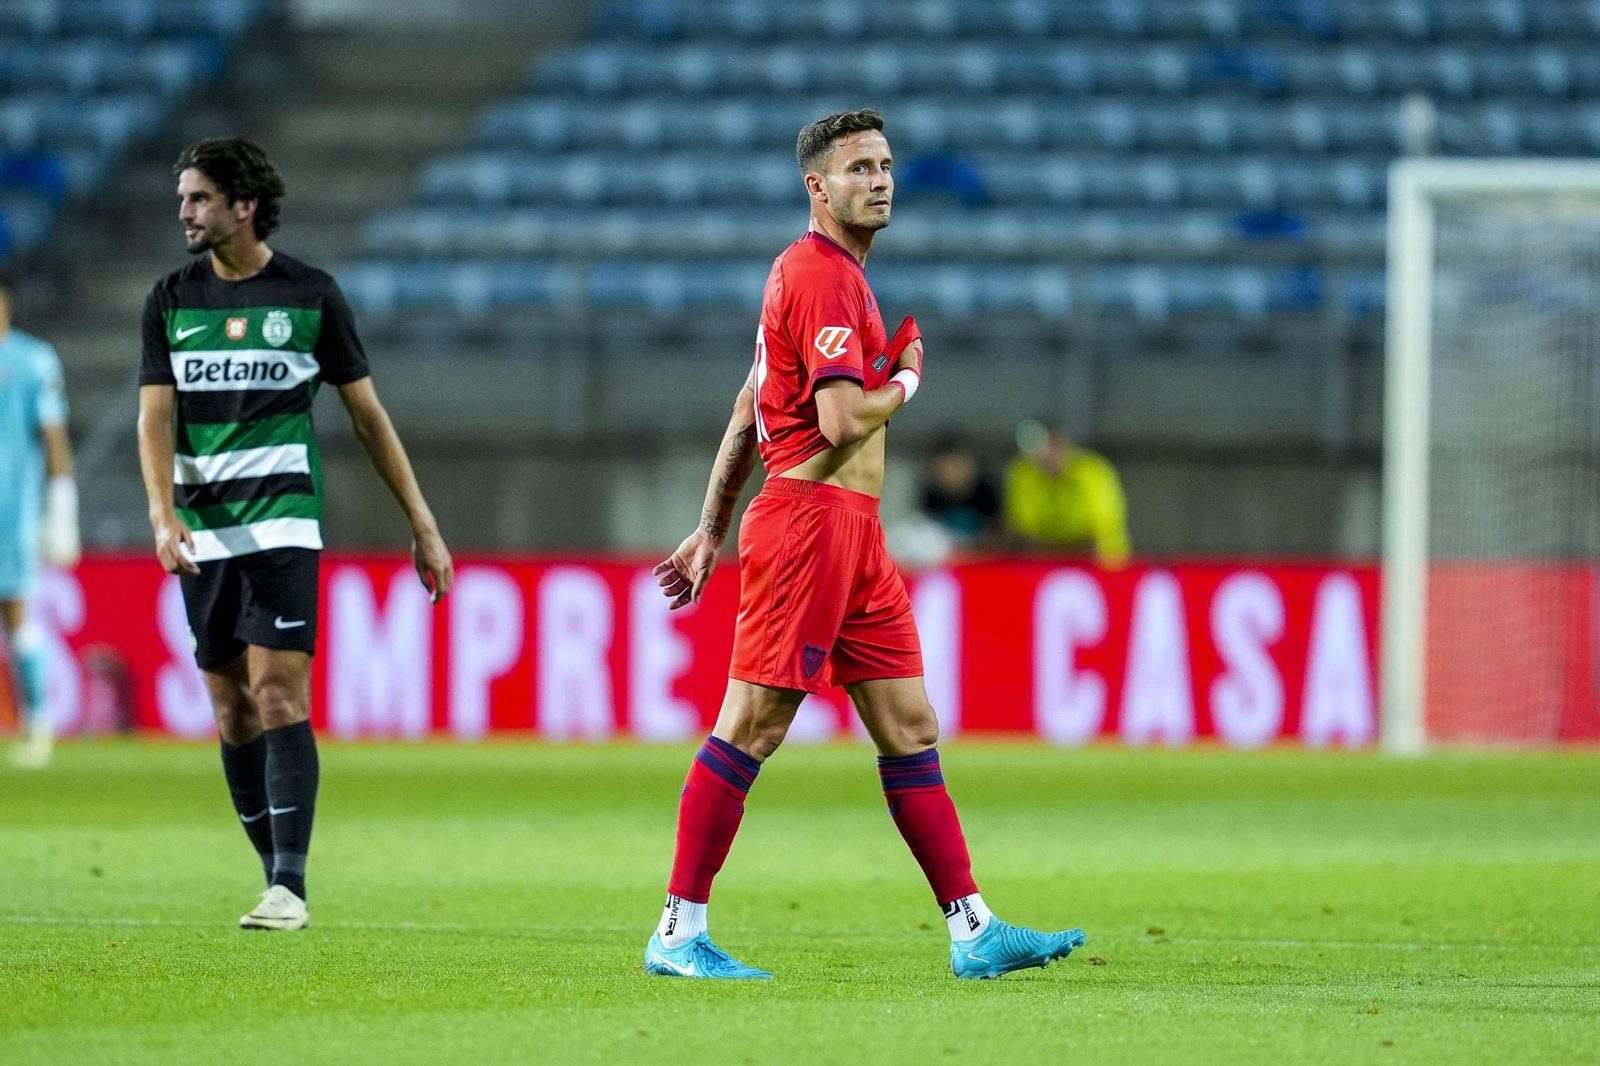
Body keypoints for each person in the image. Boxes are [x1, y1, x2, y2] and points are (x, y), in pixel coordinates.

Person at [647, 110, 1085, 980]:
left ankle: (973, 929)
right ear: (818, 186)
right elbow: (842, 418)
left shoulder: (819, 277)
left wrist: (708, 529)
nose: (880, 180)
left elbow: (748, 408)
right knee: (754, 723)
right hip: (811, 526)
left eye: (886, 165)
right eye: (859, 169)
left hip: (855, 537)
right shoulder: (820, 277)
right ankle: (677, 932)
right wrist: (909, 376)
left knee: (909, 724)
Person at [136, 138, 453, 931]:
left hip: (282, 525)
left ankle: (289, 886)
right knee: (231, 710)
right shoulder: (170, 300)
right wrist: (160, 514)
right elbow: (154, 418)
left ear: (244, 205)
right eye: (183, 198)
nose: (184, 212)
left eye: (199, 198)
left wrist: (421, 523)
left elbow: (367, 417)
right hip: (201, 532)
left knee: (277, 692)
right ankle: (273, 874)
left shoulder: (311, 295)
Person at [0, 271, 79, 769]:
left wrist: (61, 508)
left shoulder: (32, 360)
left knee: (16, 615)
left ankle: (38, 721)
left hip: (11, 513)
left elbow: (53, 437)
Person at [1004, 420, 1130, 566]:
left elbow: (1097, 534)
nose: (1035, 458)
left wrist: (1056, 551)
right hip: (1045, 561)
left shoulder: (1093, 472)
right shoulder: (1025, 473)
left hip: (1101, 566)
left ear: (1057, 444)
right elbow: (1021, 530)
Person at [920, 431, 1000, 543]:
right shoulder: (931, 495)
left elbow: (997, 532)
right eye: (946, 470)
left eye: (958, 467)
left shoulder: (987, 491)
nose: (953, 474)